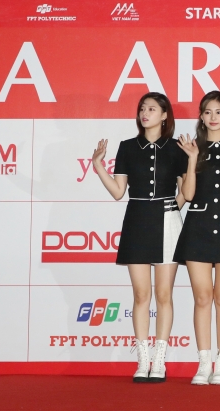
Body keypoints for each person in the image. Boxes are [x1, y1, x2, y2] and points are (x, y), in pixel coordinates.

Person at [91, 92, 186, 383]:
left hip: (168, 222)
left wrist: (171, 208)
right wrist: (98, 166)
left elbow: (186, 192)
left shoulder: (178, 148)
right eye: (142, 108)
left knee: (164, 295)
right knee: (142, 295)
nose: (145, 113)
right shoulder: (127, 147)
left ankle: (160, 360)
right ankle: (143, 359)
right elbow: (118, 192)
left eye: (152, 109)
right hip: (137, 221)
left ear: (165, 115)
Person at [172, 91, 220, 385]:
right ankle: (204, 364)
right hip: (198, 230)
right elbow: (188, 194)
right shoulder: (190, 149)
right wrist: (193, 159)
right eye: (208, 112)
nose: (213, 117)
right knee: (203, 297)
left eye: (219, 111)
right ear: (201, 117)